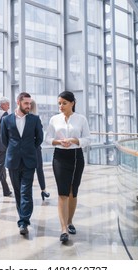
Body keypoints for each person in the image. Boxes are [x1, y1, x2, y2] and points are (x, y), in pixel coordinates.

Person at [46, 91, 90, 243]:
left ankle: (70, 221)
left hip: (77, 157)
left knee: (73, 191)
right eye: (59, 103)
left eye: (64, 103)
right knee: (62, 192)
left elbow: (88, 139)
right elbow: (48, 138)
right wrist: (58, 142)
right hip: (59, 157)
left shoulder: (81, 119)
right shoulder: (54, 119)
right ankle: (63, 229)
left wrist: (75, 140)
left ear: (72, 103)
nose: (61, 106)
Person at [1, 92, 44, 235]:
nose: (29, 106)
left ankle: (24, 221)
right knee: (18, 192)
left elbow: (39, 139)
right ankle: (22, 218)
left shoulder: (35, 119)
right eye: (26, 103)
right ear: (18, 102)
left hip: (29, 160)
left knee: (26, 191)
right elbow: (4, 140)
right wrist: (15, 150)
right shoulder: (6, 120)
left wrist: (29, 149)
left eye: (30, 103)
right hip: (13, 160)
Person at [29, 99, 50, 201]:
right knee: (39, 169)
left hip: (24, 150)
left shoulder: (21, 119)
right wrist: (35, 146)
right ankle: (43, 190)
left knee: (29, 171)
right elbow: (40, 137)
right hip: (35, 149)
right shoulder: (36, 119)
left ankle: (28, 192)